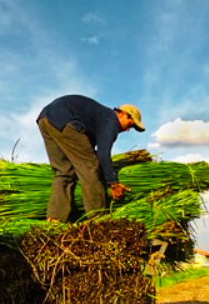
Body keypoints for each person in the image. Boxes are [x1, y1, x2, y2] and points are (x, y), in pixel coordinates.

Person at [36, 94, 145, 222]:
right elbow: (103, 154)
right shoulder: (111, 120)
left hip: (45, 119)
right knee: (90, 166)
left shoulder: (98, 119)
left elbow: (88, 149)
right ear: (122, 114)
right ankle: (98, 218)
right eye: (130, 125)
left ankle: (55, 218)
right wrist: (113, 183)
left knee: (64, 171)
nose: (127, 130)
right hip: (66, 119)